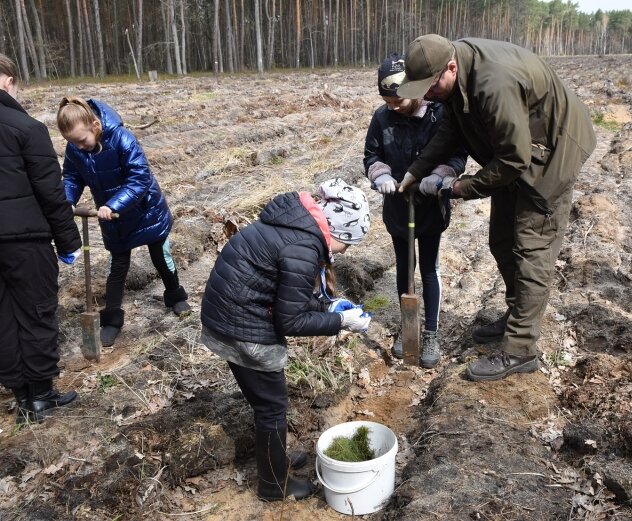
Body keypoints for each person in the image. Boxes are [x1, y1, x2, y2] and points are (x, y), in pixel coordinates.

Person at [395, 34, 596, 381]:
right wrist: (416, 171)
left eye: (430, 87)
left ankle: (520, 349)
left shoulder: (493, 84)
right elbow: (451, 130)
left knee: (531, 248)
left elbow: (514, 158)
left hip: (550, 155)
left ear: (451, 67)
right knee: (501, 240)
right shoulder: (455, 76)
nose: (426, 95)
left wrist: (462, 188)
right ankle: (517, 314)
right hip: (514, 154)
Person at [200, 178, 371, 501]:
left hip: (229, 315)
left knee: (267, 403)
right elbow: (290, 319)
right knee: (272, 407)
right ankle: (273, 485)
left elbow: (284, 293)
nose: (344, 252)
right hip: (241, 327)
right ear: (337, 231)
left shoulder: (293, 226)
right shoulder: (303, 248)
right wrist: (340, 321)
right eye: (347, 244)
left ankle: (274, 459)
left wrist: (327, 304)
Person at [57, 97, 191, 348]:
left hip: (145, 210)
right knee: (117, 267)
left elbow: (139, 179)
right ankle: (113, 319)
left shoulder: (122, 138)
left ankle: (175, 296)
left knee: (161, 257)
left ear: (94, 125)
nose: (78, 147)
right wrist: (68, 199)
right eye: (72, 142)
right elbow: (72, 177)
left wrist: (113, 205)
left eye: (82, 140)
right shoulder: (76, 148)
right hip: (113, 219)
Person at [364, 53, 466, 368]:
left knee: (430, 269)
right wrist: (380, 175)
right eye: (388, 102)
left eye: (397, 102)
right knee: (404, 269)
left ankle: (431, 332)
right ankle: (408, 328)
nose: (393, 107)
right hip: (397, 207)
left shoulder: (439, 114)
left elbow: (458, 153)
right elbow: (371, 154)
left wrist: (440, 176)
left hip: (431, 207)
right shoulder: (382, 118)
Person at [0, 54, 81, 423]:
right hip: (24, 241)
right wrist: (68, 243)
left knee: (2, 318)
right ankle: (40, 395)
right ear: (8, 81)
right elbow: (51, 192)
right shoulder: (25, 127)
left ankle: (20, 396)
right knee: (36, 313)